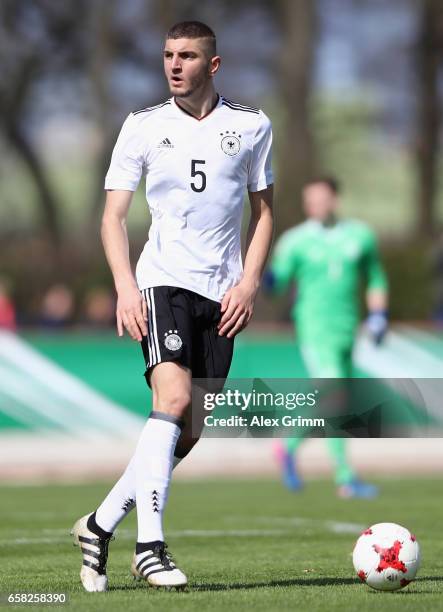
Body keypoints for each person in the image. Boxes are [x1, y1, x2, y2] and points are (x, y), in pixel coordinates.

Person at [71, 21, 274, 592]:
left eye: (187, 56)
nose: (174, 64)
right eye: (167, 55)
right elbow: (112, 217)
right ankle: (150, 547)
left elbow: (265, 215)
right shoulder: (141, 127)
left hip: (223, 291)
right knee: (175, 397)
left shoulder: (252, 125)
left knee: (189, 430)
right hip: (161, 282)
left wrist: (250, 283)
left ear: (213, 65)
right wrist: (123, 286)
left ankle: (99, 523)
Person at [265, 176, 388, 498]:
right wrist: (264, 276)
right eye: (310, 200)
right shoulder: (295, 242)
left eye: (321, 199)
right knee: (332, 394)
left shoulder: (359, 236)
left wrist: (378, 316)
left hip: (348, 329)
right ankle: (344, 476)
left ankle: (289, 447)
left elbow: (375, 277)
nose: (315, 205)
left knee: (336, 402)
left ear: (334, 200)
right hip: (315, 329)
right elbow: (276, 286)